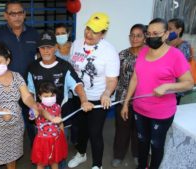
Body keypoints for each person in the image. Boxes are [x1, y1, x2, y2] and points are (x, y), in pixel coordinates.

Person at [121, 18, 194, 169]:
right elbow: (135, 77)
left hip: (161, 113)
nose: (151, 37)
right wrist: (126, 102)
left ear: (166, 34)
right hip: (139, 109)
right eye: (148, 33)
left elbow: (189, 83)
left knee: (156, 145)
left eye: (155, 33)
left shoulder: (175, 55)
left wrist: (167, 86)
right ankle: (142, 166)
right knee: (142, 142)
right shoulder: (143, 51)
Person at [0, 0, 39, 145]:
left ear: (24, 14)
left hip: (28, 88)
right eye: (12, 13)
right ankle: (4, 154)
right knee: (5, 122)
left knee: (33, 123)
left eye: (20, 12)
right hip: (5, 89)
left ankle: (38, 153)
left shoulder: (33, 34)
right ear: (5, 15)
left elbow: (40, 57)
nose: (17, 17)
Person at [67, 13, 120, 169]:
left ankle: (97, 164)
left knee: (95, 132)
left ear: (103, 33)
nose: (89, 34)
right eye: (88, 29)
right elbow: (72, 69)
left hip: (97, 99)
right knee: (80, 129)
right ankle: (81, 154)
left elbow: (112, 79)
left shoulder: (109, 51)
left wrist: (106, 94)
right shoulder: (76, 44)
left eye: (95, 31)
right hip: (78, 96)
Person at [0, 43, 40, 169]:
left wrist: (33, 106)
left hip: (15, 128)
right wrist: (1, 112)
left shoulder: (17, 76)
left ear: (8, 60)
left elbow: (26, 96)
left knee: (12, 159)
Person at [111, 24, 147, 168]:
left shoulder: (149, 54)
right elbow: (114, 76)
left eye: (138, 35)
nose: (134, 38)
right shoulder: (122, 54)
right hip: (123, 98)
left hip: (142, 99)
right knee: (122, 128)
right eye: (132, 35)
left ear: (145, 37)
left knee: (139, 129)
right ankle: (118, 155)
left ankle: (137, 154)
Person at [31, 82, 68, 169]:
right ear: (40, 97)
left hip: (56, 139)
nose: (49, 98)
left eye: (52, 96)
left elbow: (60, 122)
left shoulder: (58, 107)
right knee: (40, 163)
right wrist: (33, 113)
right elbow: (35, 113)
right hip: (42, 141)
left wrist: (62, 135)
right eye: (46, 96)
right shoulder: (38, 106)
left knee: (54, 161)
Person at [167, 18, 194, 104]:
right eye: (166, 29)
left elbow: (179, 68)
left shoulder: (183, 46)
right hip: (166, 87)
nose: (167, 31)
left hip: (175, 89)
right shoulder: (167, 44)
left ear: (179, 30)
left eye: (170, 29)